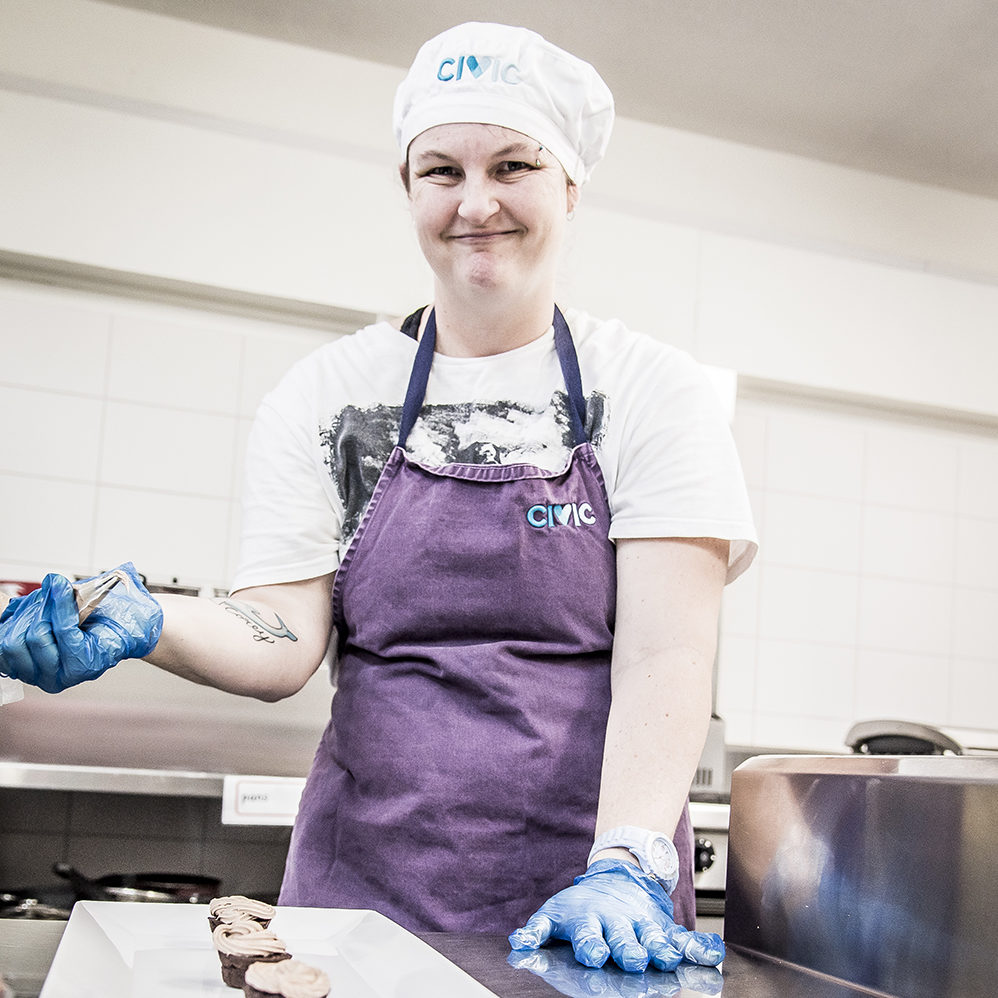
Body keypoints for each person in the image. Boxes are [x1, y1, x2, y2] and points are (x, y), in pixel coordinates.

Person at [0, 22, 756, 975]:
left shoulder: (652, 392)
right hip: (360, 902)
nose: (476, 202)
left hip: (591, 908)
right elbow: (282, 639)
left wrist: (630, 862)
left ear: (570, 183)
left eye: (513, 164)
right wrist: (155, 623)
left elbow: (668, 652)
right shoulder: (329, 397)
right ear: (408, 188)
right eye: (441, 170)